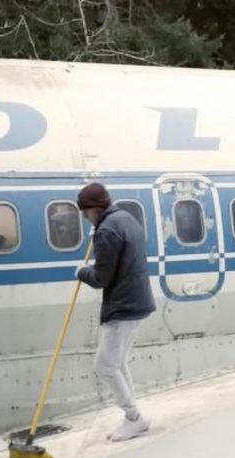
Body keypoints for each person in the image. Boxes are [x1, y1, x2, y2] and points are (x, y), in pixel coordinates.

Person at [75, 182, 156, 441]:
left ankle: (134, 418)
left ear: (94, 209)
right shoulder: (126, 219)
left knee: (105, 366)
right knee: (118, 363)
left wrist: (81, 272)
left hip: (123, 306)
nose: (85, 217)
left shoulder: (106, 230)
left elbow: (101, 278)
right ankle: (135, 417)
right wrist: (100, 234)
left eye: (85, 212)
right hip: (138, 301)